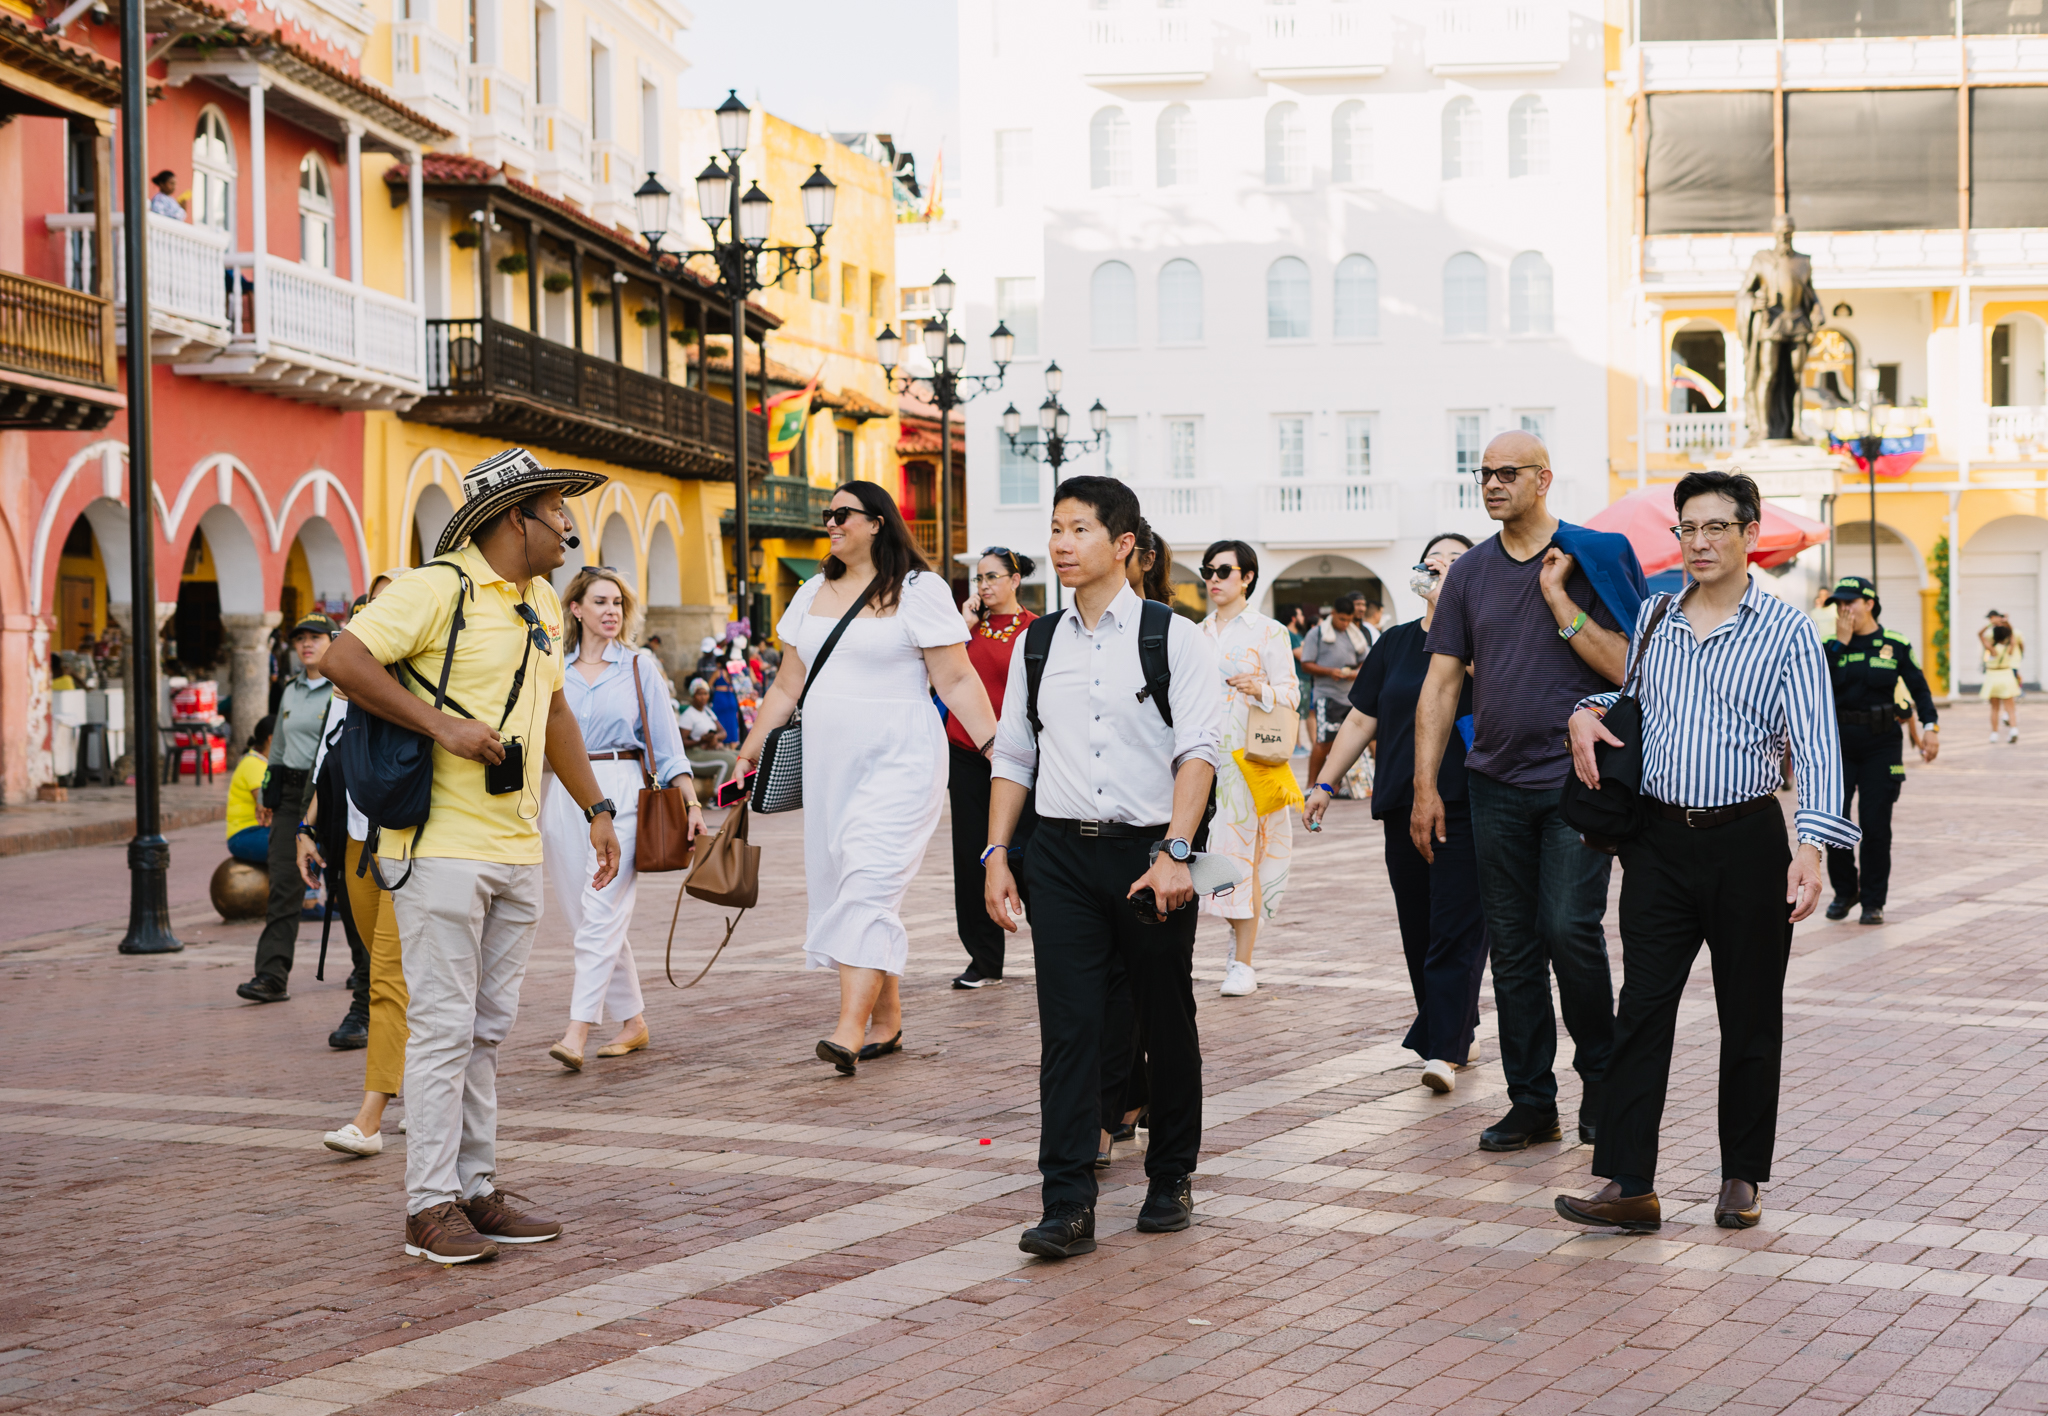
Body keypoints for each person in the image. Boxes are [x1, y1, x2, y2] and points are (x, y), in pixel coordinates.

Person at [324, 446, 622, 1265]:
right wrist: (442, 725)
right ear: (512, 518)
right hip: (437, 849)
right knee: (444, 1030)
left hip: (513, 846)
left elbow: (556, 711)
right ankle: (428, 1206)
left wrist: (596, 806)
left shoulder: (533, 603)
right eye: (556, 509)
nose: (569, 523)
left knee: (487, 1030)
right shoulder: (435, 588)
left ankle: (476, 1187)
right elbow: (342, 658)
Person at [1556, 471, 1856, 1233]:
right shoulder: (1656, 614)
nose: (1701, 541)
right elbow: (1637, 700)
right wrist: (1584, 715)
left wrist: (1811, 848)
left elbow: (1818, 747)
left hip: (1747, 840)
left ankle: (1741, 1178)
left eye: (1718, 527)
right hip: (1656, 841)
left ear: (1750, 535)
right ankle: (1630, 1183)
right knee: (1643, 1012)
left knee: (1749, 1015)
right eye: (1689, 528)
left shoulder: (1786, 630)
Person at [984, 475, 1223, 1260]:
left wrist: (1176, 853)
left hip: (1150, 853)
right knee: (1070, 1028)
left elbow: (1198, 752)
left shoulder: (1174, 637)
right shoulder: (1037, 640)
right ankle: (1067, 1203)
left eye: (1079, 529)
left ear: (1123, 544)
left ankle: (1169, 1176)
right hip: (1058, 853)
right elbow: (1016, 753)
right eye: (1055, 528)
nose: (1061, 543)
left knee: (1164, 1016)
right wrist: (995, 853)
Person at [1413, 429, 1645, 1153]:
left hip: (1579, 783)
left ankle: (1603, 1085)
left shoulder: (1593, 554)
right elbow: (1442, 681)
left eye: (1506, 473)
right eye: (1483, 473)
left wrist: (1557, 598)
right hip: (1494, 784)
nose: (1491, 484)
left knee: (1568, 930)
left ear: (1543, 479)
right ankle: (1531, 1100)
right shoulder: (1469, 575)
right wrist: (1426, 785)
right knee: (1512, 947)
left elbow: (1635, 668)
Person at [733, 480, 999, 1074]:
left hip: (900, 761)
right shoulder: (810, 592)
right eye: (827, 515)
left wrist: (994, 748)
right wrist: (748, 753)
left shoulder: (918, 590)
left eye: (842, 514)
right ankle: (888, 1017)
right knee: (850, 883)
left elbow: (954, 680)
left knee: (868, 881)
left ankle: (848, 1029)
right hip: (831, 768)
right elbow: (785, 686)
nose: (830, 523)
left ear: (878, 521)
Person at [1307, 533, 1487, 1094]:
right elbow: (1362, 718)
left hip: (1467, 801)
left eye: (1454, 560)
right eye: (1432, 560)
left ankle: (1442, 1047)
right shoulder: (1395, 642)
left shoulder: (1488, 639)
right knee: (1419, 926)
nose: (1439, 567)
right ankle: (1457, 1026)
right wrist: (1324, 782)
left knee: (1456, 926)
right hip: (1399, 802)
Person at [544, 567, 702, 1071]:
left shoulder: (639, 666)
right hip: (564, 796)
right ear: (576, 609)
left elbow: (669, 745)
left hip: (625, 790)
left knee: (601, 913)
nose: (611, 611)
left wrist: (692, 804)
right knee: (589, 919)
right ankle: (633, 1021)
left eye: (617, 603)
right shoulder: (554, 669)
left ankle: (576, 1031)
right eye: (600, 602)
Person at [299, 585, 410, 1155]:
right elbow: (327, 765)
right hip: (355, 847)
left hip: (407, 850)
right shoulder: (341, 701)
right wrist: (304, 828)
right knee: (391, 971)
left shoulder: (414, 690)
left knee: (389, 981)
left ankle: (370, 1117)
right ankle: (428, 1082)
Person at [1197, 540, 1298, 999]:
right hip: (1197, 759)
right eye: (1208, 571)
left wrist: (1261, 688)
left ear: (1247, 577)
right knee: (1201, 851)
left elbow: (1292, 695)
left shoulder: (1268, 632)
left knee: (1241, 855)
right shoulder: (1194, 634)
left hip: (1246, 761)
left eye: (1223, 571)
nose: (1213, 579)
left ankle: (1243, 960)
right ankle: (1227, 944)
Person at [1821, 575, 1938, 926]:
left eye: (1850, 603)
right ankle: (1845, 891)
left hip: (1881, 744)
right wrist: (1840, 645)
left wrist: (1930, 727)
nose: (1844, 611)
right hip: (1839, 743)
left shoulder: (1895, 643)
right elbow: (1817, 686)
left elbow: (1920, 688)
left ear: (1870, 603)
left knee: (1875, 826)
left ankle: (1873, 900)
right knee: (1835, 822)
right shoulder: (1828, 644)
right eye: (1839, 605)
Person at [948, 547, 1039, 989]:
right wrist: (961, 626)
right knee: (970, 856)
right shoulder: (960, 630)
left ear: (1015, 579)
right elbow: (936, 676)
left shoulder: (1036, 631)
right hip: (965, 755)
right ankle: (984, 960)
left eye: (992, 576)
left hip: (1017, 759)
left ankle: (1058, 947)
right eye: (978, 578)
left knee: (1028, 852)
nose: (983, 585)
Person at [234, 613, 337, 1004]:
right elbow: (277, 748)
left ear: (333, 641)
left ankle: (366, 982)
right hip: (291, 796)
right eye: (300, 639)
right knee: (282, 886)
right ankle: (271, 975)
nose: (306, 644)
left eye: (315, 637)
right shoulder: (290, 690)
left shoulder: (342, 686)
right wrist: (266, 794)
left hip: (330, 794)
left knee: (346, 888)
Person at [1301, 593, 1370, 789]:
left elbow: (1365, 660)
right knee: (1323, 742)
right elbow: (1306, 664)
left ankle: (1335, 785)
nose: (1345, 624)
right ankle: (1310, 785)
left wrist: (1356, 673)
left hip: (1350, 697)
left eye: (1349, 620)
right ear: (1333, 613)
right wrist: (1330, 672)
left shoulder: (1353, 633)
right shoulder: (1317, 634)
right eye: (1342, 619)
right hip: (1327, 696)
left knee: (1345, 744)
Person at [225, 716, 276, 864]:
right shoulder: (253, 764)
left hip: (259, 831)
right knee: (298, 847)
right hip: (245, 835)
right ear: (272, 739)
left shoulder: (262, 762)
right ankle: (310, 888)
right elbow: (267, 804)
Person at [679, 678, 739, 791]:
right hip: (694, 754)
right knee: (729, 762)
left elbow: (723, 732)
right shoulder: (688, 715)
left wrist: (714, 737)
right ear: (693, 695)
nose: (703, 697)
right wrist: (701, 741)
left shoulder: (708, 712)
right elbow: (682, 742)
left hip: (710, 750)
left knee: (741, 757)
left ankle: (739, 792)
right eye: (699, 694)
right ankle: (717, 797)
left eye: (705, 693)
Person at [1980, 614, 2022, 742]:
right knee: (2010, 708)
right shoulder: (2009, 647)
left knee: (1994, 709)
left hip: (1993, 678)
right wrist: (2006, 622)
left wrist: (1991, 624)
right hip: (2007, 677)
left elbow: (1980, 635)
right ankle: (2014, 729)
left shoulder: (1992, 649)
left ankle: (1994, 733)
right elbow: (2012, 635)